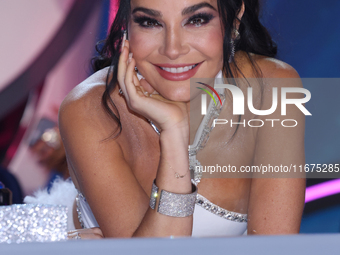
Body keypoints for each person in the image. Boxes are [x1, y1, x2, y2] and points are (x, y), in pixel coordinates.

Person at [59, 0, 306, 238]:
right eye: (150, 22)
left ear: (235, 17)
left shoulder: (271, 89)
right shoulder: (90, 109)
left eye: (197, 20)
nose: (173, 49)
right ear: (127, 23)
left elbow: (276, 247)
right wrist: (174, 133)